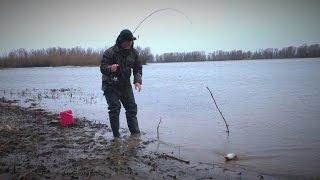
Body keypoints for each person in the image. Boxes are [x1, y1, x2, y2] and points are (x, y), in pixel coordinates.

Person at [100, 29, 142, 138]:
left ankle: (135, 134)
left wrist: (137, 81)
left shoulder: (134, 53)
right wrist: (110, 68)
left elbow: (137, 68)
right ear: (121, 41)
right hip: (110, 84)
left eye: (131, 41)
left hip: (125, 84)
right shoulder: (110, 52)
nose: (129, 43)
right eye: (127, 41)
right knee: (115, 107)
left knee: (132, 108)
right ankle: (116, 136)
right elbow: (102, 68)